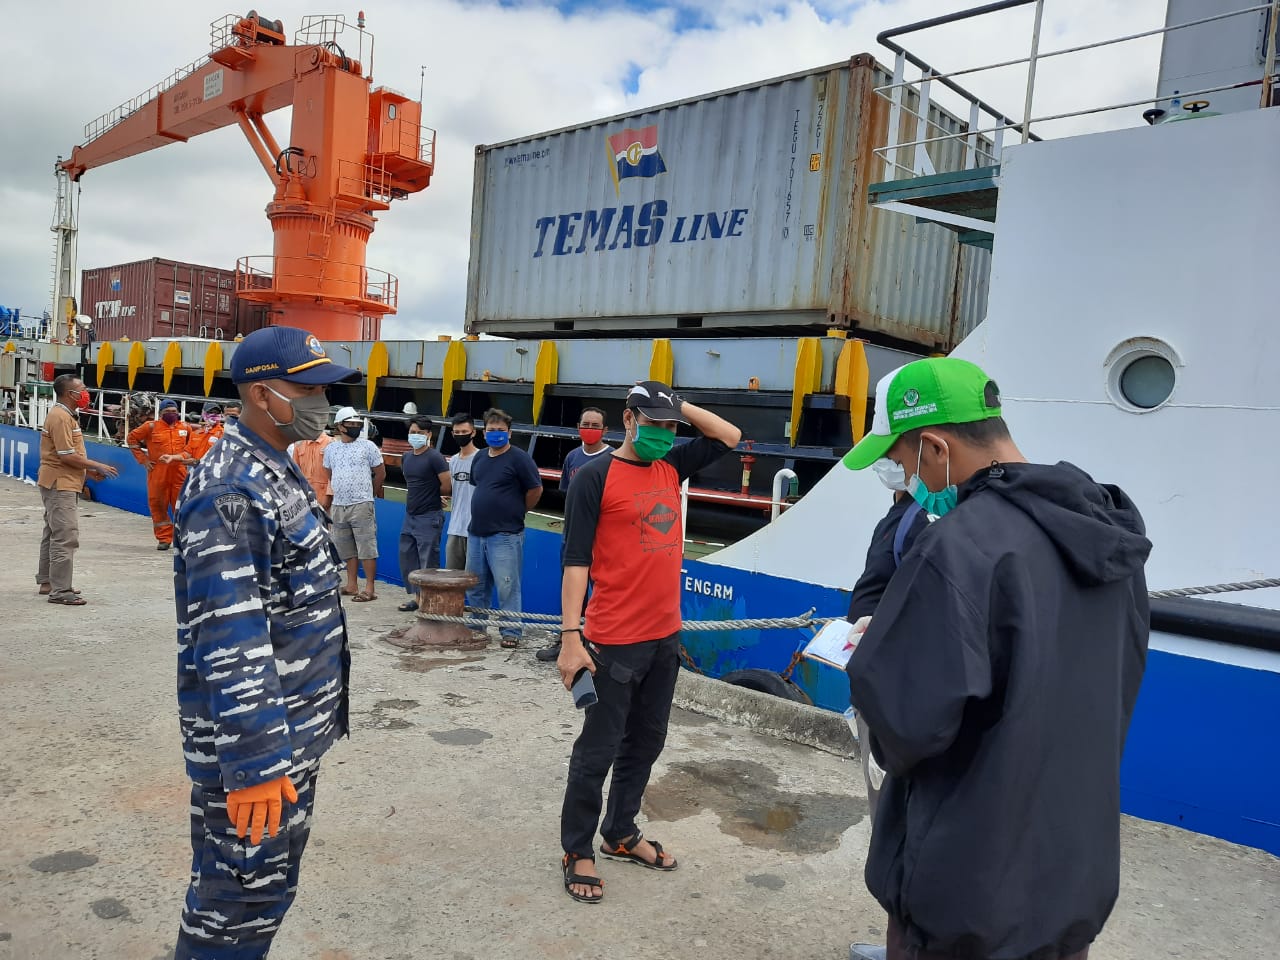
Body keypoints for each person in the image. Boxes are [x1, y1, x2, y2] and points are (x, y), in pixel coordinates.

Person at [843, 357, 1151, 960]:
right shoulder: (1106, 533)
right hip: (1069, 875)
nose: (906, 479)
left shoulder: (958, 546)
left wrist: (880, 648)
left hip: (968, 884)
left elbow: (906, 727)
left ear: (935, 447)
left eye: (904, 462)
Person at [171, 326, 360, 958]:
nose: (321, 403)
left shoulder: (274, 469)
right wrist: (254, 767)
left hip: (291, 734)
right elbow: (230, 634)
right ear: (260, 394)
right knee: (235, 907)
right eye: (307, 388)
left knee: (265, 896)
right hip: (258, 752)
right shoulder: (231, 488)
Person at [556, 381, 741, 903]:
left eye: (670, 427)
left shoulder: (669, 466)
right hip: (613, 639)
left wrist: (677, 404)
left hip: (665, 637)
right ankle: (577, 848)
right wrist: (572, 637)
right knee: (598, 751)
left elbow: (730, 435)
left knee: (647, 742)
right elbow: (575, 562)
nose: (663, 433)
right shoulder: (594, 477)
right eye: (653, 423)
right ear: (628, 419)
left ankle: (620, 832)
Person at [537, 407, 612, 662]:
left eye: (595, 425)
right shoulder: (572, 458)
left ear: (605, 430)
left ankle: (599, 645)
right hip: (572, 538)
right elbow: (567, 496)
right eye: (585, 424)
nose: (589, 429)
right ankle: (568, 641)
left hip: (603, 540)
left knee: (602, 593)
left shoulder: (614, 459)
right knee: (572, 592)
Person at [35, 374, 119, 605]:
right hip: (60, 483)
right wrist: (96, 465)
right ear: (69, 394)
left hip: (60, 480)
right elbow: (66, 455)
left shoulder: (65, 415)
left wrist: (87, 472)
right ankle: (61, 591)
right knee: (65, 536)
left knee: (52, 532)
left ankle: (48, 581)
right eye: (81, 389)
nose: (85, 393)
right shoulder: (61, 417)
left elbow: (66, 455)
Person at [464, 408, 543, 648]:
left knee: (507, 585)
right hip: (476, 532)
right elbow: (478, 484)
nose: (495, 434)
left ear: (509, 433)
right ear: (483, 432)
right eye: (491, 430)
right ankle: (477, 627)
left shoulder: (520, 459)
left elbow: (535, 489)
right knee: (476, 586)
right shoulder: (479, 457)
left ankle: (511, 631)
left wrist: (518, 511)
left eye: (500, 430)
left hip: (506, 534)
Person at [324, 406, 385, 601]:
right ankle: (351, 584)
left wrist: (370, 493)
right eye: (350, 424)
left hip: (361, 503)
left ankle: (369, 588)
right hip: (339, 504)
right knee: (346, 547)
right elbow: (329, 473)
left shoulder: (368, 446)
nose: (355, 427)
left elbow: (381, 473)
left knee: (366, 546)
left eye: (357, 424)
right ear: (339, 426)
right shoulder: (331, 448)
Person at [397, 416, 452, 612]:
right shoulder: (406, 457)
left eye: (420, 433)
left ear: (429, 435)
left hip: (429, 517)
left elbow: (446, 485)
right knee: (408, 557)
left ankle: (431, 602)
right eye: (413, 432)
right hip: (409, 516)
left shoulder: (435, 457)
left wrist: (436, 497)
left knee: (428, 561)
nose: (416, 436)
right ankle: (418, 598)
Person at [127, 397, 195, 550]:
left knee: (182, 505)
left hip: (179, 471)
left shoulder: (185, 427)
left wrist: (185, 458)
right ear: (160, 413)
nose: (171, 414)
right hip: (158, 471)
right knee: (158, 504)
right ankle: (164, 538)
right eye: (167, 412)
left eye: (174, 411)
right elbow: (131, 439)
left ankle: (183, 538)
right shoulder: (150, 426)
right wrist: (143, 460)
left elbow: (190, 447)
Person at [443, 412, 478, 571]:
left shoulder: (481, 458)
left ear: (473, 432)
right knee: (451, 578)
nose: (460, 435)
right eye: (457, 432)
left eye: (464, 432)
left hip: (476, 531)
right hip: (455, 529)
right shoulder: (453, 461)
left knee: (474, 581)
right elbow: (451, 490)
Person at [290, 427, 334, 512]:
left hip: (323, 496)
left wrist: (329, 496)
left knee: (324, 523)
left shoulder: (331, 443)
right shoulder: (299, 444)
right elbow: (295, 472)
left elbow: (334, 474)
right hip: (304, 496)